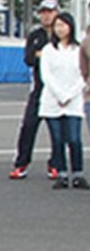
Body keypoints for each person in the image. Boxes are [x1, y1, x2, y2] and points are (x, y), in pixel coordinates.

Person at [10, 0, 60, 180]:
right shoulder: (35, 35)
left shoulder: (63, 34)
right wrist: (44, 54)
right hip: (39, 88)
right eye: (43, 12)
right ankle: (21, 163)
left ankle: (56, 164)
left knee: (58, 131)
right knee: (28, 126)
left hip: (58, 90)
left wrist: (43, 54)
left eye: (50, 12)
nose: (46, 15)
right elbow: (30, 58)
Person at [39, 12, 87, 189]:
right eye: (57, 26)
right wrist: (59, 95)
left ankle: (78, 173)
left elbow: (84, 73)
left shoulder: (78, 49)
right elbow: (46, 75)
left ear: (71, 27)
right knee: (57, 139)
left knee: (74, 138)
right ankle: (61, 174)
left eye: (63, 25)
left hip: (73, 100)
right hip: (52, 101)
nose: (60, 29)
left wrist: (69, 94)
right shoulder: (48, 50)